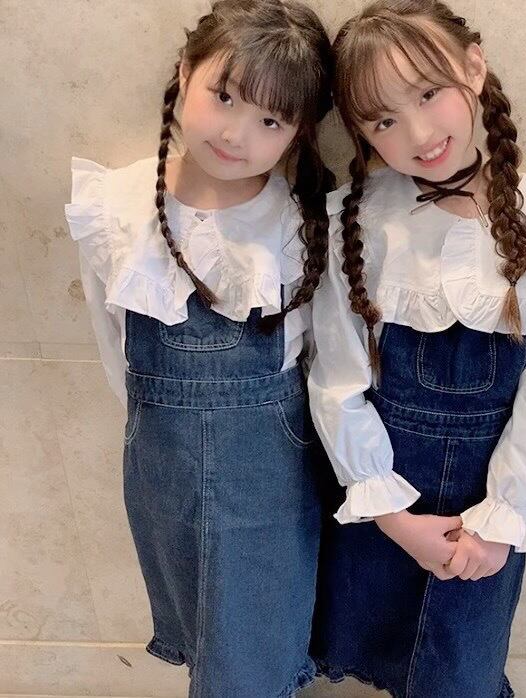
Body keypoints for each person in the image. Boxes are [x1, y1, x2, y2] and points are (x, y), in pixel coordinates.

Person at [308, 1, 526, 696]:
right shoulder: (357, 225)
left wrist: (503, 516)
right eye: (382, 121)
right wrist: (393, 516)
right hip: (383, 511)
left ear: (473, 67)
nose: (418, 134)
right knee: (378, 661)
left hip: (488, 519)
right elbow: (335, 380)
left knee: (462, 676)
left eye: (428, 93)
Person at [64, 1, 334, 694]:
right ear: (185, 73)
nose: (237, 134)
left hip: (271, 473)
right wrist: (157, 424)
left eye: (271, 121)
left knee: (253, 654)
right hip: (161, 467)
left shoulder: (301, 220)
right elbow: (112, 343)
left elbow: (319, 360)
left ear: (298, 133)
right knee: (204, 635)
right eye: (225, 96)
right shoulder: (116, 206)